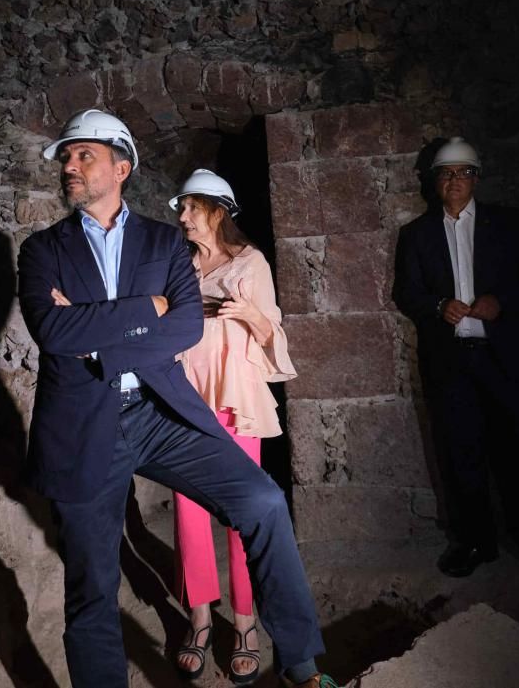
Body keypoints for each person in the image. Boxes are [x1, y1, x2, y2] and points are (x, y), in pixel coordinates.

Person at [16, 109, 335, 688]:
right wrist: (147, 310)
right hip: (84, 425)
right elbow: (52, 333)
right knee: (92, 587)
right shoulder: (42, 251)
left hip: (160, 413)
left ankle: (302, 666)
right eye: (65, 156)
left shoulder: (164, 243)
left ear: (122, 166)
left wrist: (101, 341)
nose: (69, 165)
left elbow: (186, 325)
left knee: (262, 503)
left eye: (82, 155)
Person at [391, 137, 519, 617]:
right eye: (445, 174)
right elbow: (407, 292)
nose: (453, 181)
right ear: (434, 182)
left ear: (476, 178)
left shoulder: (509, 223)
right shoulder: (417, 235)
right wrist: (439, 306)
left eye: (462, 173)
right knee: (461, 454)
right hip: (452, 362)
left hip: (507, 358)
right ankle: (476, 541)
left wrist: (502, 301)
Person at [167, 169, 297, 684]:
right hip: (186, 401)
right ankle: (200, 618)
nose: (181, 217)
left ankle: (245, 624)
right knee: (187, 510)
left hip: (233, 401)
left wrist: (248, 314)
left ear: (217, 212)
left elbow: (273, 333)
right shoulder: (179, 264)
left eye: (189, 208)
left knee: (243, 512)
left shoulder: (251, 263)